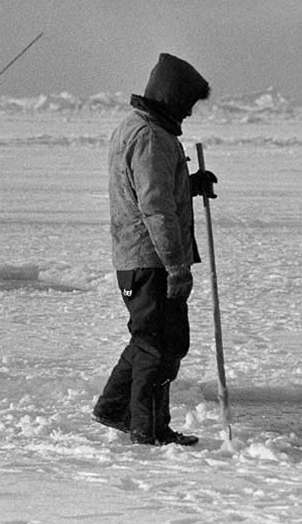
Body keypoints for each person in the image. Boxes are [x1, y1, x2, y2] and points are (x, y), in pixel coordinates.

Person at [91, 53, 217, 446]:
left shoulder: (144, 131)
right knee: (157, 345)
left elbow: (155, 190)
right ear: (171, 99)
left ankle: (116, 408)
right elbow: (156, 207)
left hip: (141, 257)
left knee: (155, 340)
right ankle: (147, 428)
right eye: (188, 105)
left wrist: (191, 183)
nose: (190, 114)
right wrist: (177, 267)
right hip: (150, 260)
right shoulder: (150, 137)